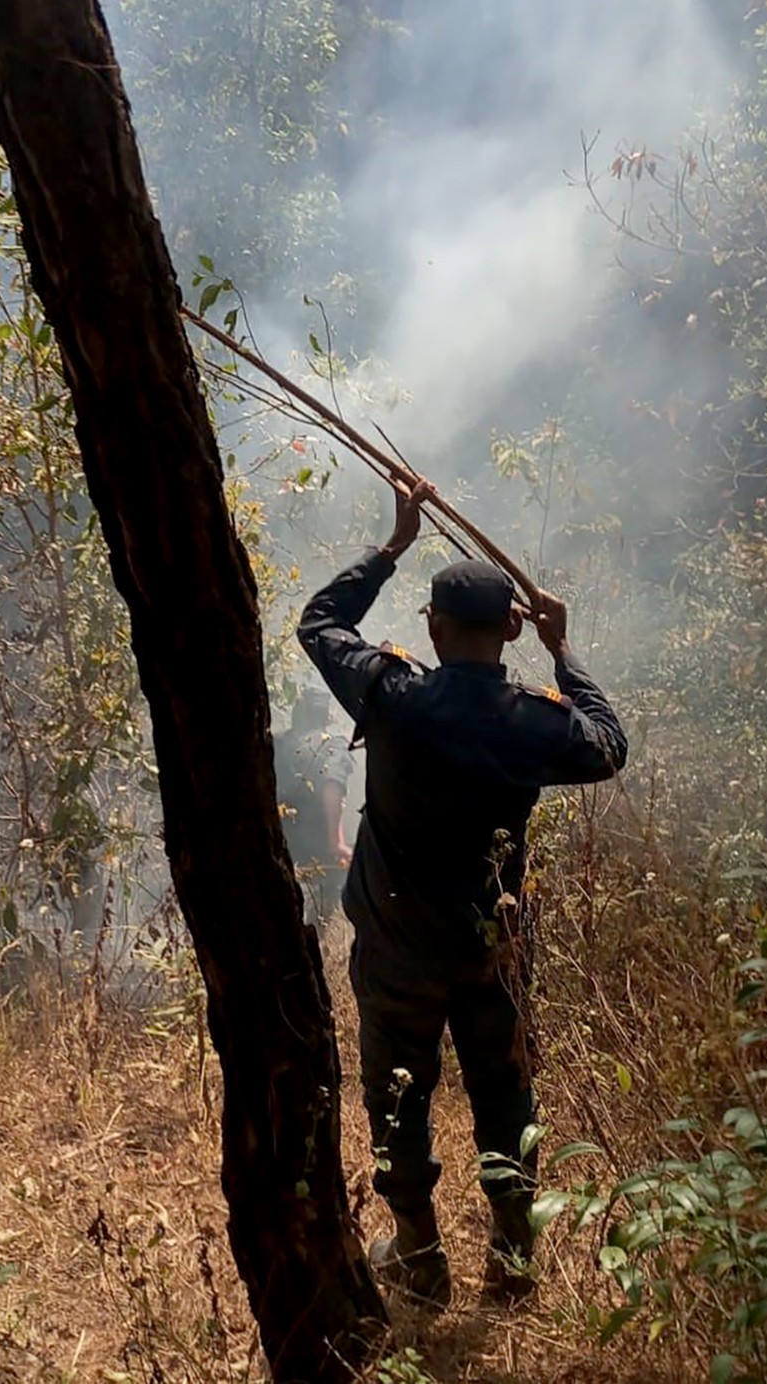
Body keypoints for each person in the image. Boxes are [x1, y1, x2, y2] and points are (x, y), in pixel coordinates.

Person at [298, 478, 627, 1310]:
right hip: (492, 948)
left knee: (396, 1100)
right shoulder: (535, 719)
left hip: (400, 950)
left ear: (434, 630)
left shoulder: (394, 692)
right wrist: (563, 650)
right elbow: (610, 744)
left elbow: (318, 626)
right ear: (510, 628)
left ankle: (419, 1258)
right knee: (503, 1096)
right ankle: (512, 1269)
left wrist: (392, 545)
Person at [273, 685, 354, 921]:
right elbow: (332, 786)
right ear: (325, 716)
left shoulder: (275, 743)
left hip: (281, 849)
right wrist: (336, 842)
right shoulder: (333, 747)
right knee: (320, 920)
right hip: (320, 855)